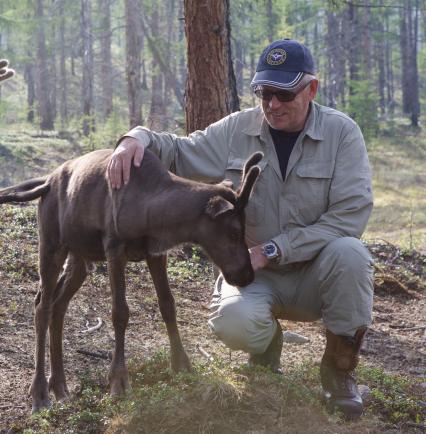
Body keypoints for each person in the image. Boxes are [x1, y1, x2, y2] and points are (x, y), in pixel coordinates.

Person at [108, 39, 374, 420]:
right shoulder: (238, 129)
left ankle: (339, 371)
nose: (272, 104)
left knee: (351, 253)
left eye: (284, 93)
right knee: (235, 325)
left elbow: (349, 217)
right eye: (264, 92)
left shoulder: (342, 134)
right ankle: (266, 344)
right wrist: (135, 138)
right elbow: (181, 151)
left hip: (315, 274)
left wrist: (273, 250)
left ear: (311, 88)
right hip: (253, 276)